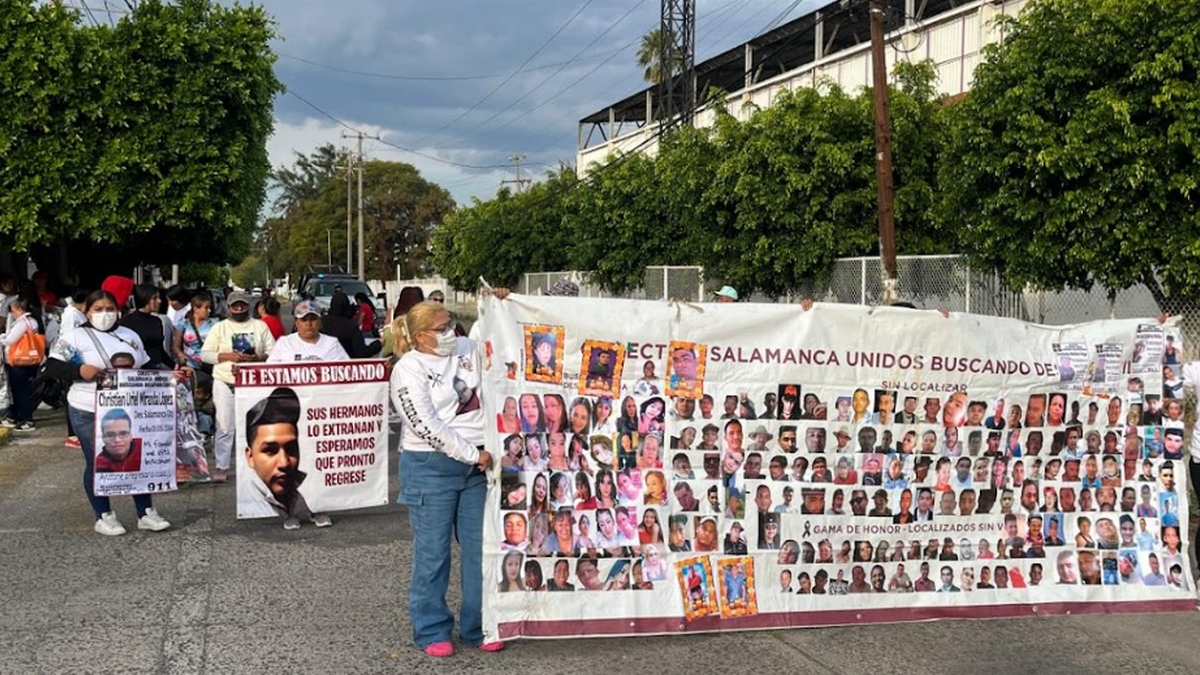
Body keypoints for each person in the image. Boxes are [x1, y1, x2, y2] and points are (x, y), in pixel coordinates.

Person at [390, 301, 503, 656]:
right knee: (433, 553)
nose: (449, 333)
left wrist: (498, 303)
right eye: (440, 329)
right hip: (431, 466)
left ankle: (479, 624)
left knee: (481, 550)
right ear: (419, 336)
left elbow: (496, 332)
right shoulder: (408, 368)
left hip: (477, 468)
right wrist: (471, 453)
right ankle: (431, 629)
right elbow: (423, 424)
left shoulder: (467, 348)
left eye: (450, 324)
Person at [45, 290, 172, 536]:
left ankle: (145, 512)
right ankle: (103, 514)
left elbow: (146, 365)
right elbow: (53, 366)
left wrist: (170, 374)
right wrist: (79, 371)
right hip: (88, 409)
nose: (105, 314)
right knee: (98, 460)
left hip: (129, 407)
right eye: (98, 309)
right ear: (87, 312)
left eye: (110, 309)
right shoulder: (74, 337)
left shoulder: (130, 336)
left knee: (136, 457)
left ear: (119, 310)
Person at [200, 291, 276, 483]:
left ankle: (256, 464)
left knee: (254, 426)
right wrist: (228, 356)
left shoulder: (260, 326)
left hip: (253, 383)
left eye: (242, 305)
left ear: (248, 306)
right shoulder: (219, 328)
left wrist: (257, 358)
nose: (239, 308)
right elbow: (205, 355)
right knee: (225, 426)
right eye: (235, 306)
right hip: (225, 381)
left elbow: (273, 352)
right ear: (229, 308)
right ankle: (222, 466)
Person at [237, 386, 333, 529]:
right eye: (270, 450)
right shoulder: (250, 500)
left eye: (291, 448)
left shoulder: (300, 486)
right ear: (250, 456)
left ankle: (309, 513)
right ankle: (289, 516)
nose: (284, 462)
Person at [1, 297, 43, 430]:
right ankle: (17, 416)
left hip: (19, 362)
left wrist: (2, 337)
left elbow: (10, 340)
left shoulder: (22, 323)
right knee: (22, 391)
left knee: (20, 392)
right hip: (30, 360)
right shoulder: (33, 321)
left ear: (19, 309)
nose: (12, 314)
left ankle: (27, 420)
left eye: (13, 311)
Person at [268, 301, 350, 362]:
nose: (309, 324)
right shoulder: (284, 343)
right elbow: (270, 370)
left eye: (313, 319)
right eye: (304, 320)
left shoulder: (332, 343)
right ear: (296, 322)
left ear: (320, 322)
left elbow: (347, 370)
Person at [322, 291, 381, 359]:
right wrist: (378, 344)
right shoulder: (351, 326)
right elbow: (361, 352)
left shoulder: (322, 323)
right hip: (348, 362)